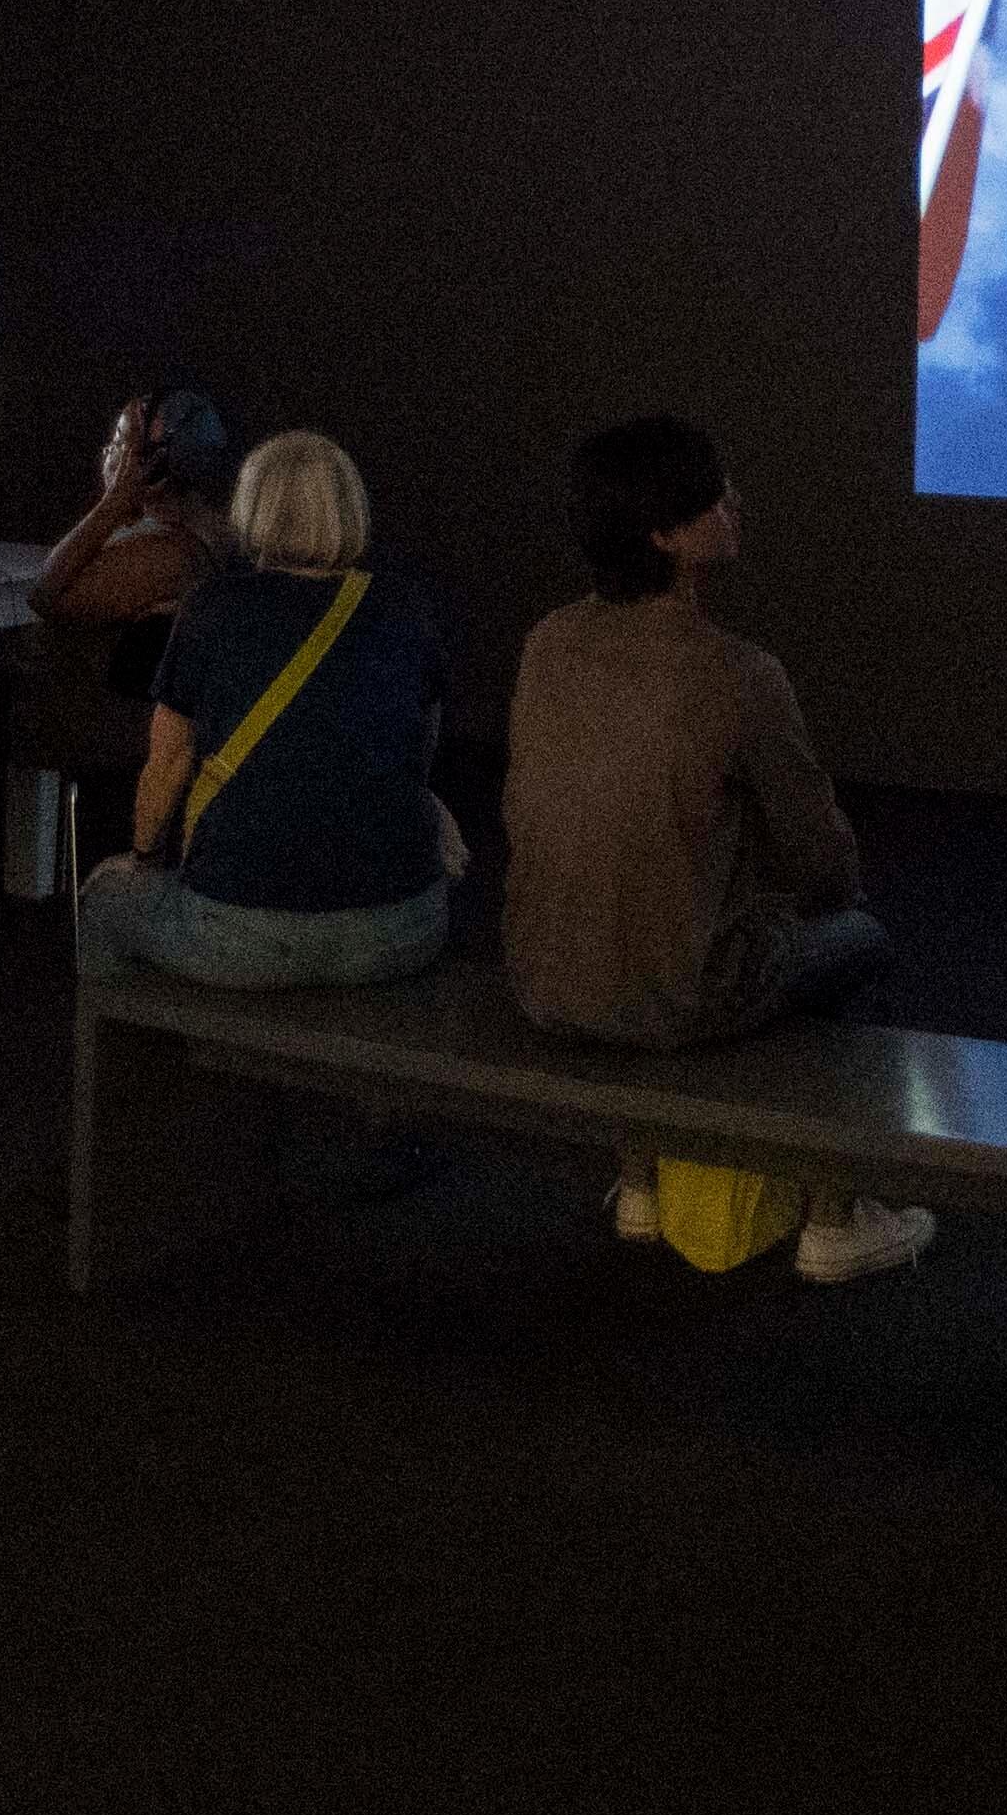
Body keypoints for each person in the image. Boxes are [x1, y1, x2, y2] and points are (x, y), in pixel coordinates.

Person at [504, 414, 928, 1286]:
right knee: (861, 942)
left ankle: (638, 1186)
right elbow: (827, 868)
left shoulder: (546, 643)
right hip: (673, 996)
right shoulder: (738, 673)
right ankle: (835, 1216)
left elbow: (538, 819)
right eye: (713, 495)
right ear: (664, 536)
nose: (735, 502)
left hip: (539, 975)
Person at [74, 430, 455, 990]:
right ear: (350, 509)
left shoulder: (213, 608)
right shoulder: (405, 608)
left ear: (251, 507)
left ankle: (129, 1069)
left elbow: (168, 766)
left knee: (106, 897)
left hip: (242, 930)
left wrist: (143, 856)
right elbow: (419, 754)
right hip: (403, 927)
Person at [14, 386, 235, 798]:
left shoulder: (174, 552)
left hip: (109, 739)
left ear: (153, 463)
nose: (108, 453)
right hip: (112, 727)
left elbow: (47, 595)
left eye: (120, 442)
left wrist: (115, 500)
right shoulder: (191, 532)